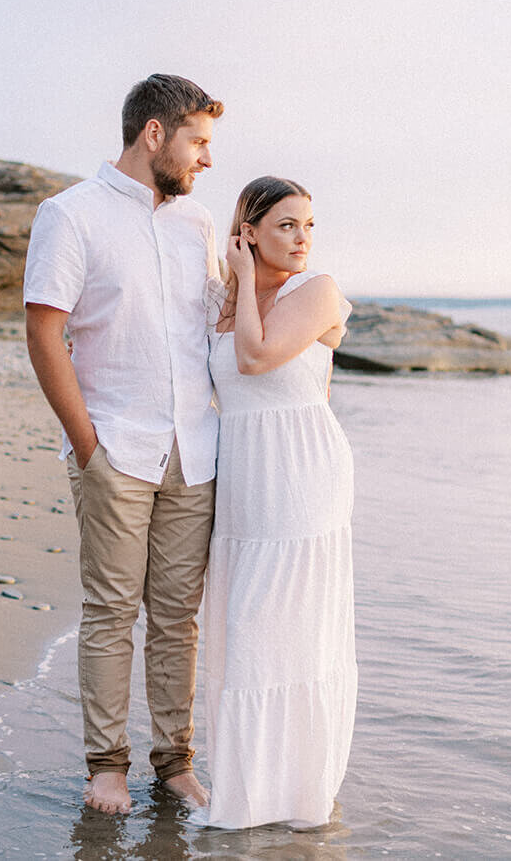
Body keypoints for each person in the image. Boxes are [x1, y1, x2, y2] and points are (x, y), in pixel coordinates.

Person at [22, 74, 223, 815]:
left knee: (178, 618)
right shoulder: (70, 215)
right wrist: (87, 447)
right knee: (112, 610)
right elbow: (45, 332)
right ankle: (106, 766)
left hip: (194, 450)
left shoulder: (196, 222)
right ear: (154, 134)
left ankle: (175, 764)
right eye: (198, 142)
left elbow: (211, 324)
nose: (206, 159)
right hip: (115, 446)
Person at [199, 176, 357, 829]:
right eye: (287, 224)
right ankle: (246, 793)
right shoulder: (223, 299)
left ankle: (295, 797)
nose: (302, 238)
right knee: (244, 631)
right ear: (251, 227)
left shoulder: (315, 291)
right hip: (243, 477)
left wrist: (237, 271)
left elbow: (260, 357)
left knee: (280, 631)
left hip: (301, 474)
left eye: (309, 225)